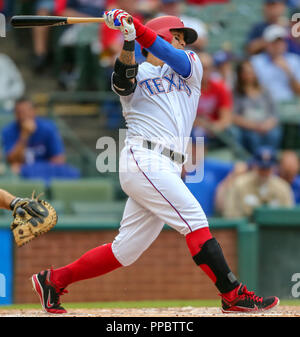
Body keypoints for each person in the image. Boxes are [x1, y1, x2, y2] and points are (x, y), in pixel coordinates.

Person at [31, 9, 279, 314]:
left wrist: (135, 27)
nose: (182, 43)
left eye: (182, 39)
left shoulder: (191, 67)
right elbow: (123, 82)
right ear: (162, 36)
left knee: (126, 251)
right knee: (195, 219)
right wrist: (127, 38)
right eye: (176, 36)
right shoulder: (138, 69)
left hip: (170, 165)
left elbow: (165, 52)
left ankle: (53, 281)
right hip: (143, 158)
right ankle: (232, 294)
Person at [223, 146, 294, 219]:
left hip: (275, 228)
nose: (264, 172)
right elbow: (230, 214)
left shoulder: (282, 187)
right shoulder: (240, 184)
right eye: (261, 168)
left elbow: (289, 217)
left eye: (267, 169)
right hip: (246, 227)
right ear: (254, 165)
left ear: (274, 168)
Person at [1, 97, 65, 174]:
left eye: (26, 112)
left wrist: (32, 169)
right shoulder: (8, 131)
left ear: (34, 111)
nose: (22, 116)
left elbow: (58, 159)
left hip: (45, 172)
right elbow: (12, 161)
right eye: (19, 113)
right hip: (21, 176)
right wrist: (24, 136)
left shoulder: (48, 128)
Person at [233, 60, 282, 154]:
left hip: (266, 125)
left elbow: (274, 112)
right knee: (253, 137)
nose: (249, 76)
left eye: (251, 72)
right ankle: (257, 163)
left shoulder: (265, 90)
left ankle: (270, 161)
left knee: (274, 134)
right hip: (248, 127)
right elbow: (233, 116)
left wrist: (268, 124)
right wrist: (255, 126)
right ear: (240, 75)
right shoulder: (236, 93)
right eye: (246, 73)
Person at [192, 52, 233, 147]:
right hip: (195, 127)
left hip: (213, 126)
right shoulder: (186, 88)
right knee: (198, 134)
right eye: (201, 67)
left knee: (232, 132)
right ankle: (198, 161)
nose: (205, 71)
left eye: (208, 68)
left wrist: (216, 126)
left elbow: (226, 117)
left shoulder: (220, 87)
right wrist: (203, 124)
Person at [251, 24, 300, 102]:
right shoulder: (256, 62)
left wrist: (288, 72)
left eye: (280, 42)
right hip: (264, 103)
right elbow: (251, 88)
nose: (278, 45)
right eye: (274, 42)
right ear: (266, 44)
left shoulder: (294, 60)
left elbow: (298, 91)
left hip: (290, 104)